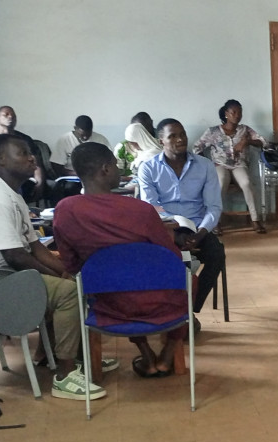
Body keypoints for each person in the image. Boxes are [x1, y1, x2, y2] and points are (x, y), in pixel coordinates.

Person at [0, 134, 108, 401]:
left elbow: (36, 248)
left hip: (11, 274)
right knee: (68, 293)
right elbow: (15, 256)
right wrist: (62, 278)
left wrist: (67, 272)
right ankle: (65, 375)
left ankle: (85, 359)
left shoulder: (11, 194)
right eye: (23, 153)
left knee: (76, 283)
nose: (32, 158)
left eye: (31, 153)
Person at [55, 143, 188, 377]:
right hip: (160, 302)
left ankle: (145, 351)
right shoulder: (140, 210)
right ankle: (169, 351)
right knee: (188, 279)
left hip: (107, 303)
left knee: (120, 283)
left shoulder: (65, 210)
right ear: (106, 169)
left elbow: (71, 263)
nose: (118, 170)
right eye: (116, 165)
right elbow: (172, 258)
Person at [138, 118, 225, 313]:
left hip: (197, 228)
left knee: (216, 254)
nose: (180, 140)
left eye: (182, 134)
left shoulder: (205, 166)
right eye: (173, 136)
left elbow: (213, 206)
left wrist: (201, 233)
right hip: (165, 229)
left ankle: (190, 309)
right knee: (155, 257)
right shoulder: (148, 168)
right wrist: (174, 231)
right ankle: (163, 308)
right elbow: (150, 207)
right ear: (161, 141)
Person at [192, 99, 270, 233]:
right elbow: (196, 148)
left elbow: (264, 142)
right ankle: (216, 221)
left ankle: (255, 220)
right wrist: (208, 164)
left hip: (239, 165)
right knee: (220, 182)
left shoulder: (245, 130)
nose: (237, 115)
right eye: (234, 112)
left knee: (246, 183)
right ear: (226, 114)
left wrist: (247, 142)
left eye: (240, 112)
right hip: (220, 165)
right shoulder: (213, 131)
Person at [0, 106, 48, 200]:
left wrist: (39, 182)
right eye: (6, 115)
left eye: (13, 115)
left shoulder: (24, 139)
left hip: (23, 178)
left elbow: (36, 163)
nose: (10, 117)